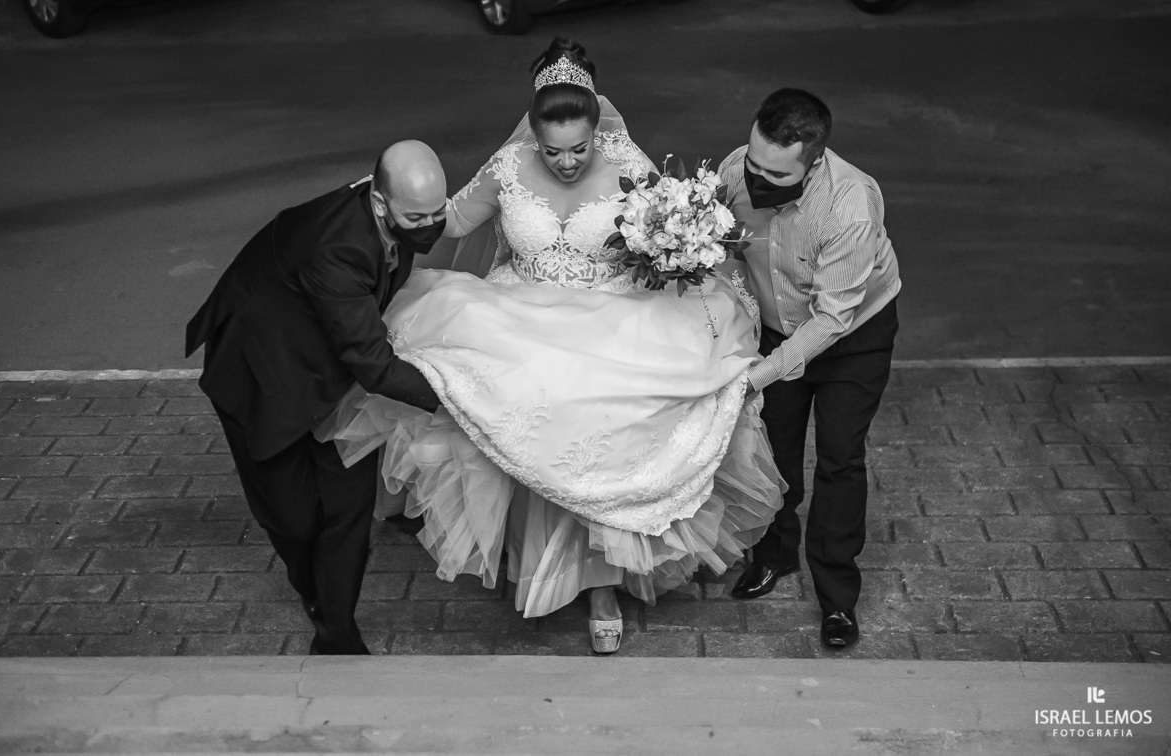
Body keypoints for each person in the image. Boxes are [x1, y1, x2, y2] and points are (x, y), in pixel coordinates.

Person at [317, 39, 785, 654]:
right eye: (552, 150)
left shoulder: (625, 158)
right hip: (523, 311)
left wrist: (676, 241)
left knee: (599, 409)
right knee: (538, 396)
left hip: (616, 312)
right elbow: (450, 221)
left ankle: (600, 586)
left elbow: (662, 219)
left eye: (580, 148)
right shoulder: (508, 167)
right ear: (533, 134)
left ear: (598, 128)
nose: (567, 162)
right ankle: (549, 564)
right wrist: (377, 205)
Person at [184, 141, 447, 654]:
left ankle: (335, 629)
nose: (429, 225)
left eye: (437, 212)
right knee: (293, 518)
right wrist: (457, 398)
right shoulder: (339, 250)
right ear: (379, 203)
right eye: (417, 217)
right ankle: (311, 587)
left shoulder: (393, 215)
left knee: (349, 504)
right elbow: (373, 364)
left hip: (332, 372)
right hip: (263, 376)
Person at [720, 89, 902, 650]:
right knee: (773, 449)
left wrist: (757, 376)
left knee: (840, 458)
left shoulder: (849, 206)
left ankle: (838, 596)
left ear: (814, 161)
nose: (754, 179)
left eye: (774, 174)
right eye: (753, 163)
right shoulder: (733, 170)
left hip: (852, 336)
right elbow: (722, 251)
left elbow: (831, 320)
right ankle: (775, 556)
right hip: (775, 324)